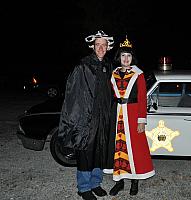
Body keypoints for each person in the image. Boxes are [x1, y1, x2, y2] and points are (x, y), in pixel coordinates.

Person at [57, 29, 115, 200]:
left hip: (103, 118)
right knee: (86, 152)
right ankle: (83, 188)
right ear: (93, 46)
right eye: (98, 45)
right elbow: (72, 94)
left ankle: (95, 183)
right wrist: (75, 119)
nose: (101, 48)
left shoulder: (108, 67)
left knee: (100, 150)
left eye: (104, 45)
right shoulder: (83, 66)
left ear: (108, 47)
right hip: (87, 119)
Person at [109, 36, 155, 196]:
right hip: (117, 115)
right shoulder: (113, 74)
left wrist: (141, 120)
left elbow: (143, 98)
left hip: (133, 114)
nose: (126, 58)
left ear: (132, 58)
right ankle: (119, 182)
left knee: (134, 150)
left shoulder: (139, 75)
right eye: (123, 55)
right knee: (118, 148)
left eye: (128, 56)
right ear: (119, 57)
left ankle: (134, 183)